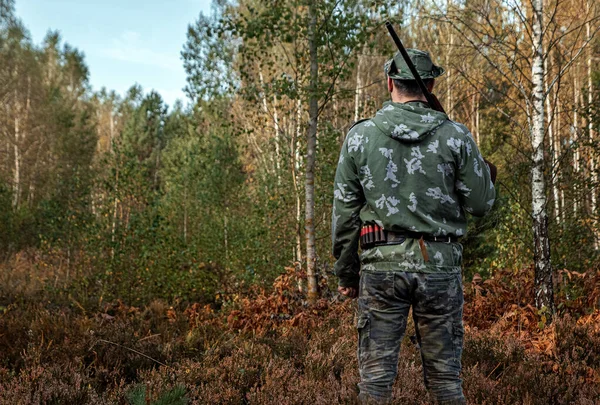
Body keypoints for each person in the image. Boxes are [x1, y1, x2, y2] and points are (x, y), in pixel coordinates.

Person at [331, 49, 496, 404]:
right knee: (446, 382)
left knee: (375, 384)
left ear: (390, 82)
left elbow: (344, 213)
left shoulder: (360, 137)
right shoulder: (456, 136)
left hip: (381, 271)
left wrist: (346, 274)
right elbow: (482, 204)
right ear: (431, 84)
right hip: (439, 269)